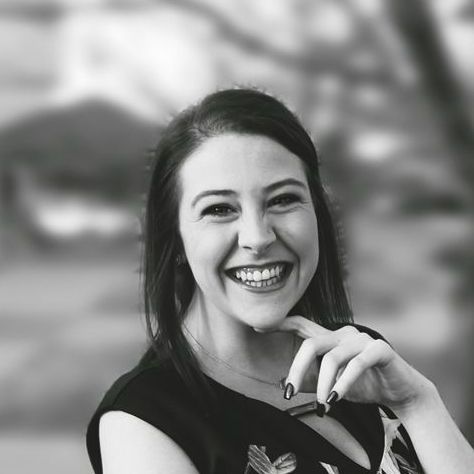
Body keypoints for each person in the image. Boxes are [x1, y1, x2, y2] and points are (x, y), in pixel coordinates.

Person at [86, 88, 474, 474]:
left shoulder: (358, 358)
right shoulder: (144, 424)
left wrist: (418, 401)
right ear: (176, 241)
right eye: (219, 209)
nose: (257, 237)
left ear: (317, 215)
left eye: (282, 200)